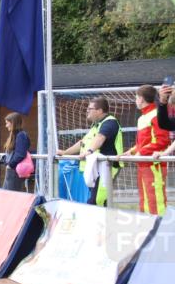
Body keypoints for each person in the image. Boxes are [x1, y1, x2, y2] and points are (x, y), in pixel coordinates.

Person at [56, 96, 122, 207]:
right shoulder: (97, 125)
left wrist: (89, 151)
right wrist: (65, 152)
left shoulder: (110, 123)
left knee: (97, 201)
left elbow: (100, 138)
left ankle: (102, 223)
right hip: (95, 169)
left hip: (106, 168)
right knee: (97, 201)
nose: (87, 111)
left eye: (90, 108)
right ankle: (104, 223)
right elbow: (83, 142)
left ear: (100, 111)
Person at [122, 85, 170, 215]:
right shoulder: (142, 118)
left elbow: (161, 141)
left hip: (155, 164)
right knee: (145, 197)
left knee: (155, 198)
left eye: (136, 97)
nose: (135, 100)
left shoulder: (156, 114)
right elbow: (143, 143)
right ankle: (148, 226)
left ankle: (160, 228)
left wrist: (140, 152)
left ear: (141, 98)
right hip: (143, 163)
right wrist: (132, 151)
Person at [0, 112, 30, 192]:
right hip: (12, 171)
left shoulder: (21, 135)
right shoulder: (15, 136)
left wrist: (10, 165)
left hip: (14, 171)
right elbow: (11, 155)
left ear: (13, 123)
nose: (6, 126)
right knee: (8, 195)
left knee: (12, 196)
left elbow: (20, 154)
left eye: (7, 123)